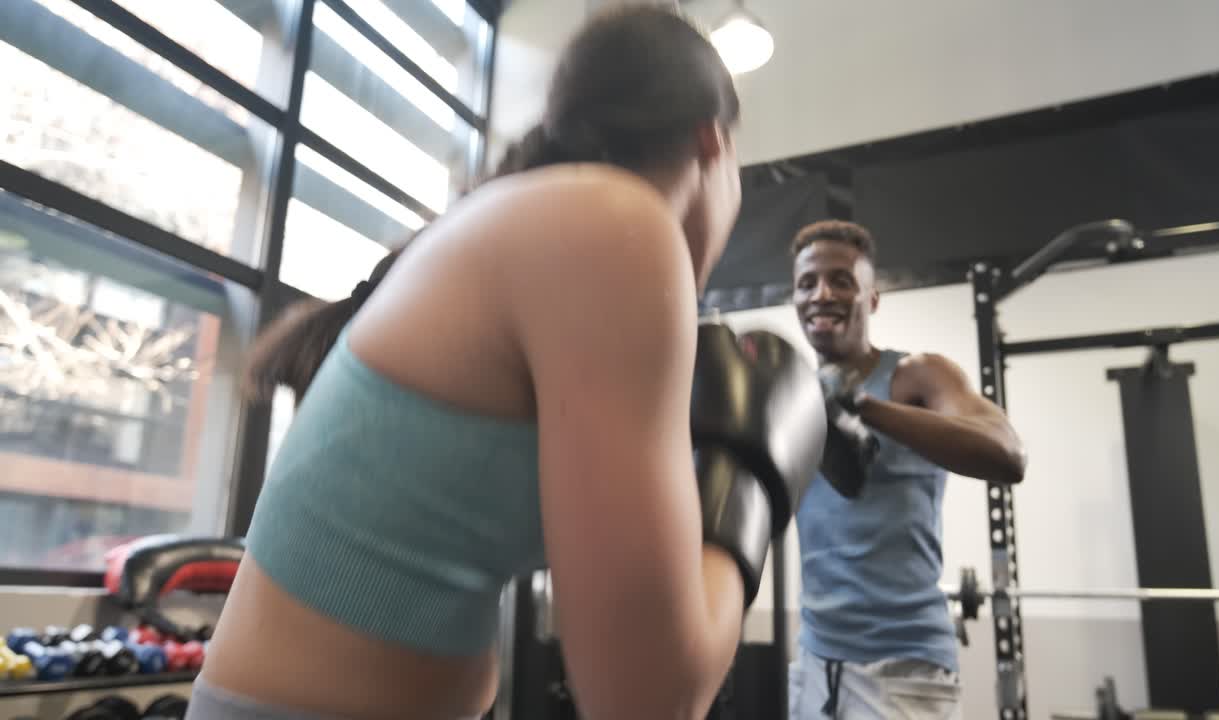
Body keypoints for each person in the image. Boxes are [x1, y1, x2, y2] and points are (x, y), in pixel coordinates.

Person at [192, 7, 829, 720]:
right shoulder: (616, 226)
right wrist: (745, 484)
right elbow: (650, 699)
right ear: (714, 145)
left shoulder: (543, 221)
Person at [786, 221, 1028, 720]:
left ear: (872, 299)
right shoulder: (794, 395)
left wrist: (862, 407)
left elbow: (1007, 455)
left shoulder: (916, 376)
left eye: (841, 281)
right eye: (807, 283)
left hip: (903, 668)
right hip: (814, 660)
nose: (821, 294)